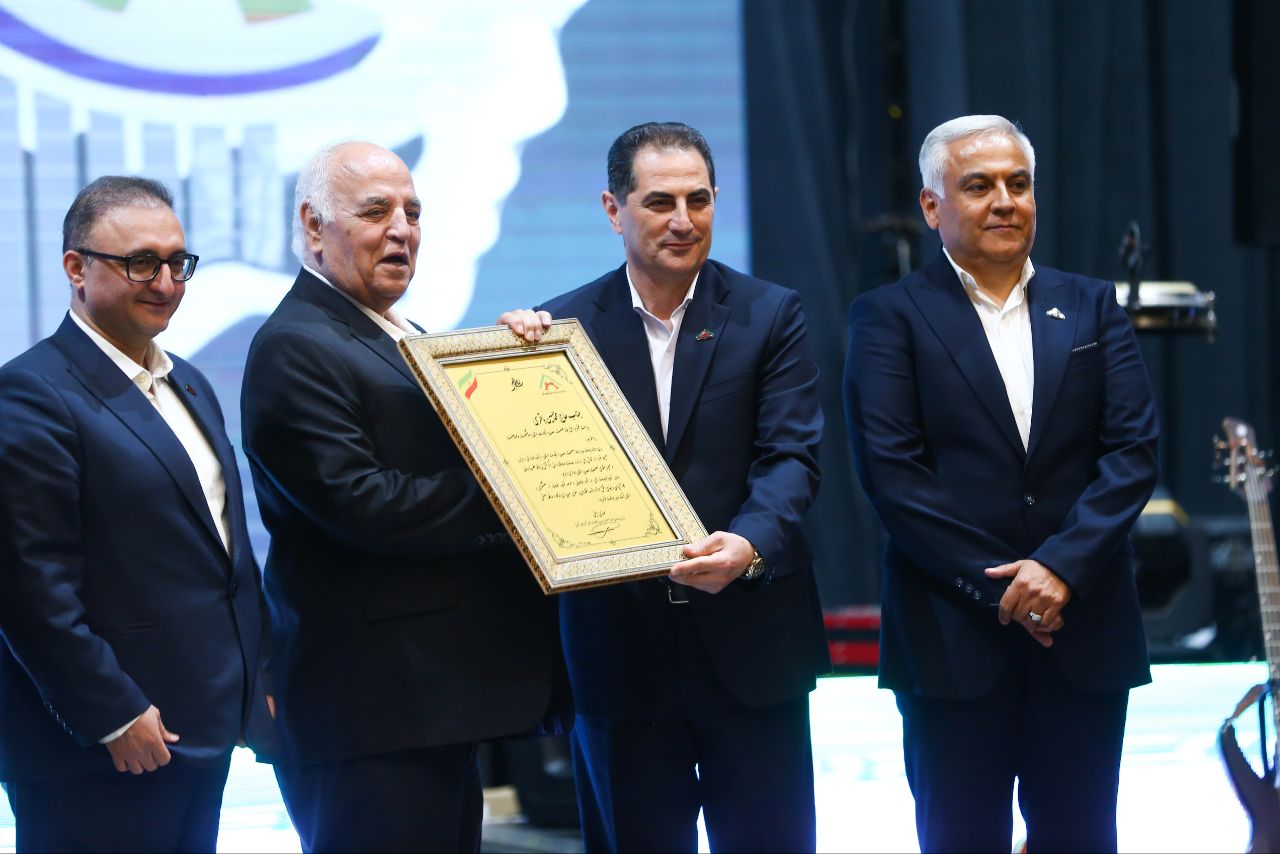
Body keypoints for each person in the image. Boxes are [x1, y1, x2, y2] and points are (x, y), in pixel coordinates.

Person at [502, 121, 830, 852]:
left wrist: (747, 544)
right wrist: (507, 367)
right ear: (613, 210)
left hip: (752, 642)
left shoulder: (771, 312)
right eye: (659, 202)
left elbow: (792, 458)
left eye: (698, 199)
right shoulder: (559, 332)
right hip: (619, 652)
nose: (683, 220)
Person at [240, 140, 568, 852]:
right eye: (375, 211)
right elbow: (366, 505)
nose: (402, 230)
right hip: (370, 714)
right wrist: (525, 491)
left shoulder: (399, 336)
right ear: (314, 226)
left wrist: (522, 368)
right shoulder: (296, 345)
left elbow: (452, 456)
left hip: (429, 706)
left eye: (413, 213)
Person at [843, 114, 1159, 852]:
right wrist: (1008, 590)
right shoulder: (888, 317)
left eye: (1019, 184)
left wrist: (1061, 569)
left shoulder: (1092, 305)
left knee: (1082, 837)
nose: (1005, 202)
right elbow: (894, 477)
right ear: (932, 207)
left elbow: (1133, 453)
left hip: (1083, 631)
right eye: (979, 186)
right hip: (950, 638)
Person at [0, 176, 276, 852]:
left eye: (178, 262)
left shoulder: (189, 381)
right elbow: (30, 587)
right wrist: (113, 714)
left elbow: (226, 555)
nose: (166, 282)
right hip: (98, 750)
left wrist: (259, 678)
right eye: (141, 263)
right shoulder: (30, 393)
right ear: (76, 268)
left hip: (201, 729)